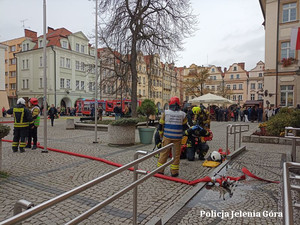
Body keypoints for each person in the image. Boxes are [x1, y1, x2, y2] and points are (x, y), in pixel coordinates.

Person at [157, 96, 188, 177]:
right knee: (176, 154)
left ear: (170, 104)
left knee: (164, 153)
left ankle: (160, 170)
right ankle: (174, 172)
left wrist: (161, 134)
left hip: (167, 136)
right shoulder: (183, 114)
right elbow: (185, 127)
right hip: (177, 138)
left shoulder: (166, 113)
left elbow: (160, 125)